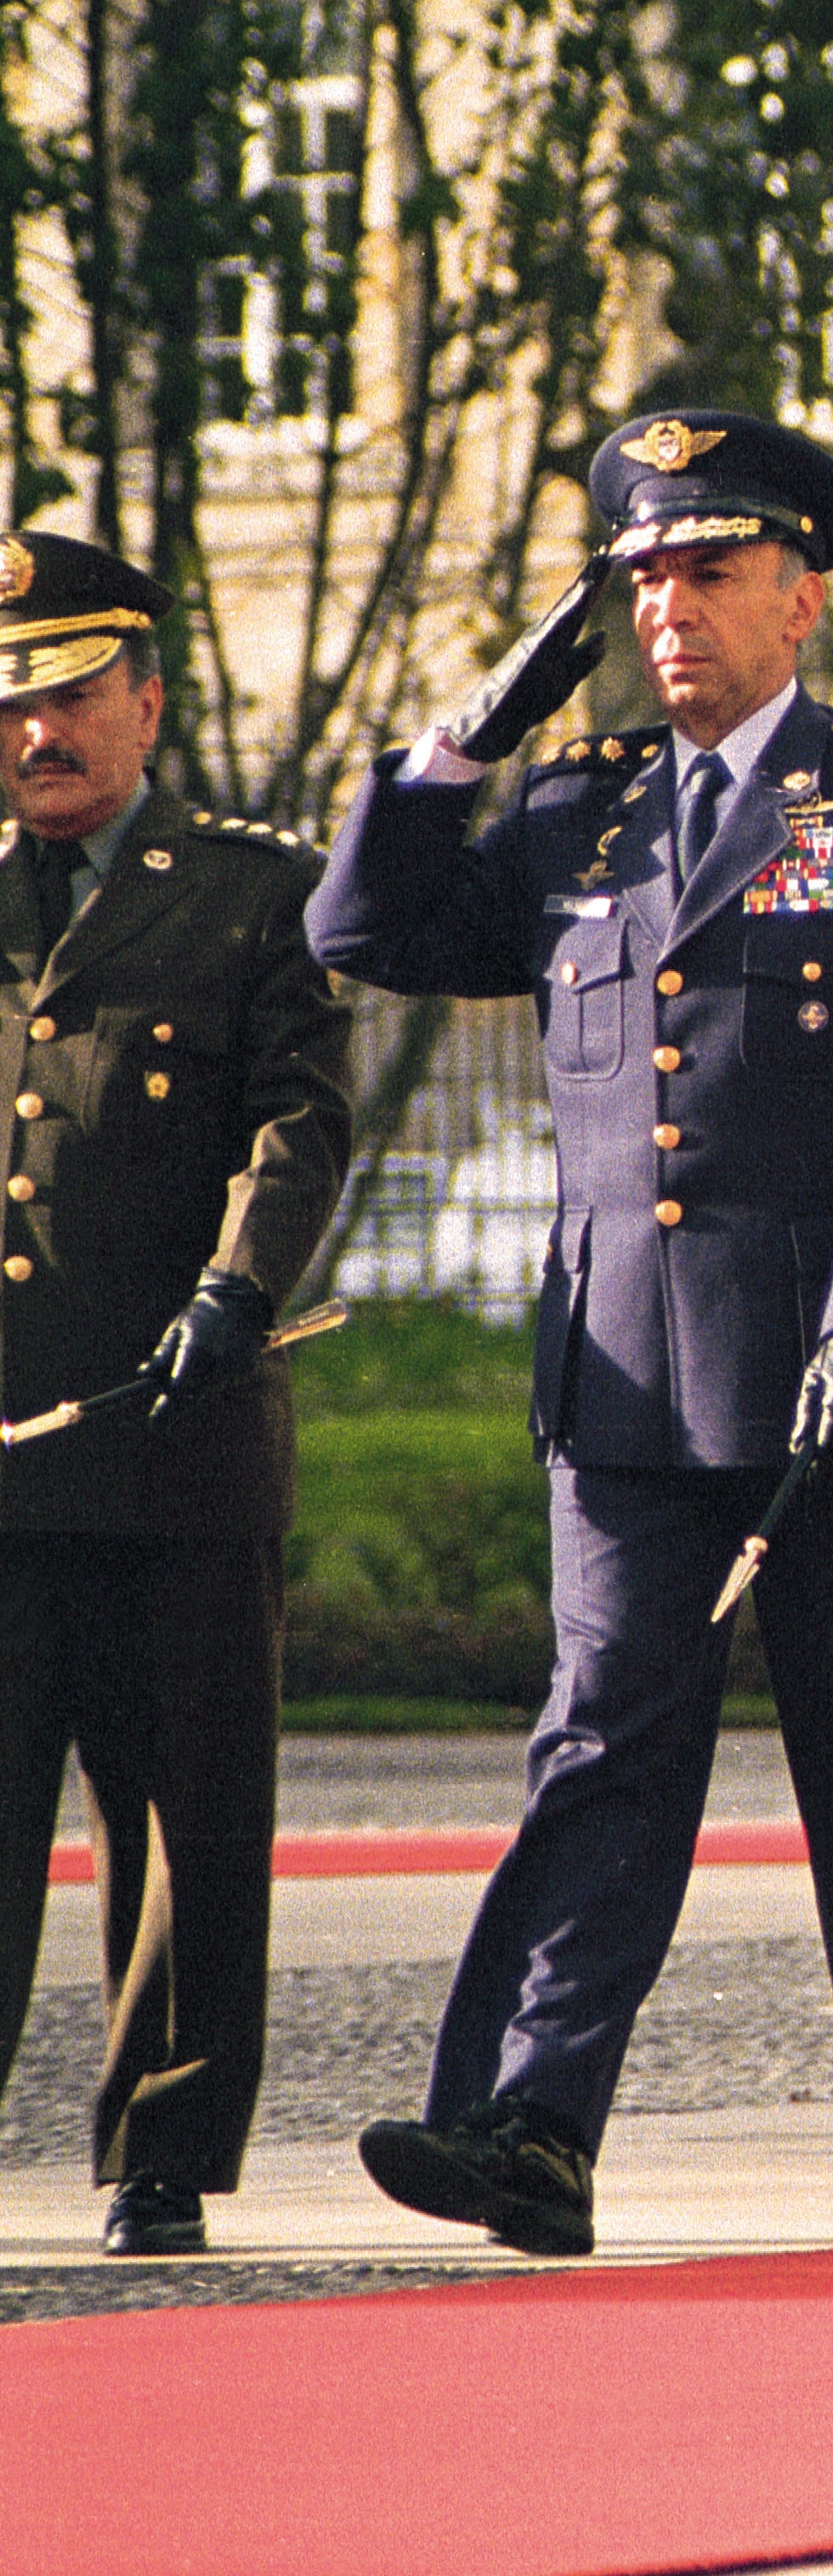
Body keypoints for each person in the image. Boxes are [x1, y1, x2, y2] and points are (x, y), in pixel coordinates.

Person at [311, 410, 833, 2256]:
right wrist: (460, 744)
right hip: (622, 1373)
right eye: (641, 576)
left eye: (708, 568)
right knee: (601, 1737)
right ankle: (531, 2124)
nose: (668, 604)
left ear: (799, 595)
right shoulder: (575, 806)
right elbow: (366, 924)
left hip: (828, 1376)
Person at [0, 534, 352, 2256]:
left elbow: (301, 1119)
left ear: (146, 697)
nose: (33, 732)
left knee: (183, 1817)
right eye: (9, 704)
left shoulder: (249, 890)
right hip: (6, 1442)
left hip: (176, 1433)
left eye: (67, 695)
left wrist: (240, 1286)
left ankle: (164, 2142)